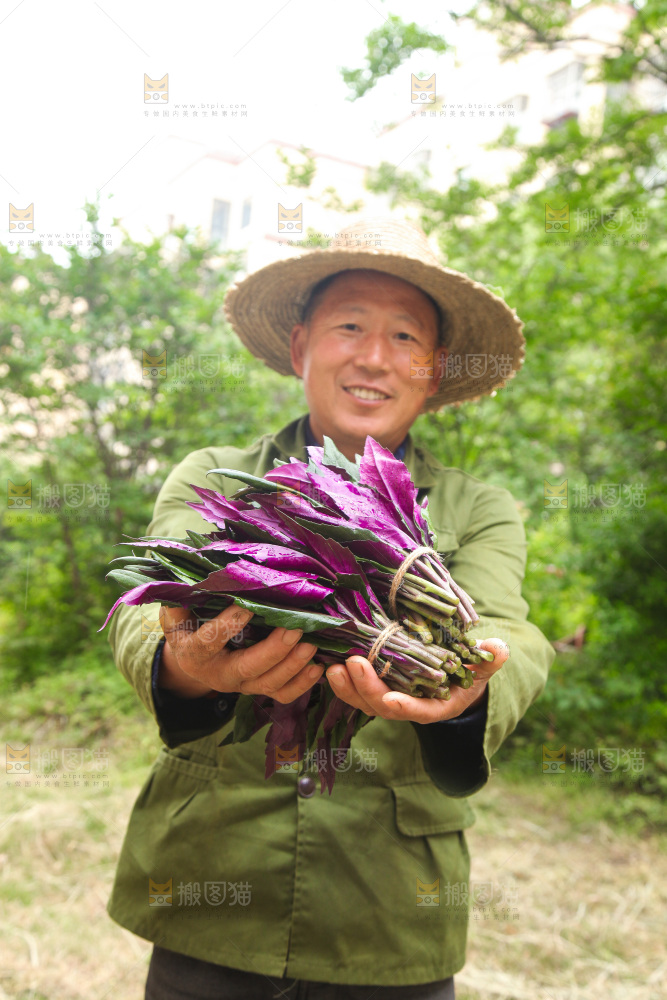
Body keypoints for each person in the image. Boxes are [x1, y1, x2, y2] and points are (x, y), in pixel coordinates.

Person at [106, 217, 555, 1000]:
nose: (374, 357)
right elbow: (149, 607)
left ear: (434, 366)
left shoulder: (475, 506)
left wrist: (470, 684)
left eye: (404, 336)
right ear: (299, 346)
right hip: (211, 890)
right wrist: (183, 656)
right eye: (350, 326)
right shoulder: (218, 475)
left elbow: (504, 629)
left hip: (385, 912)